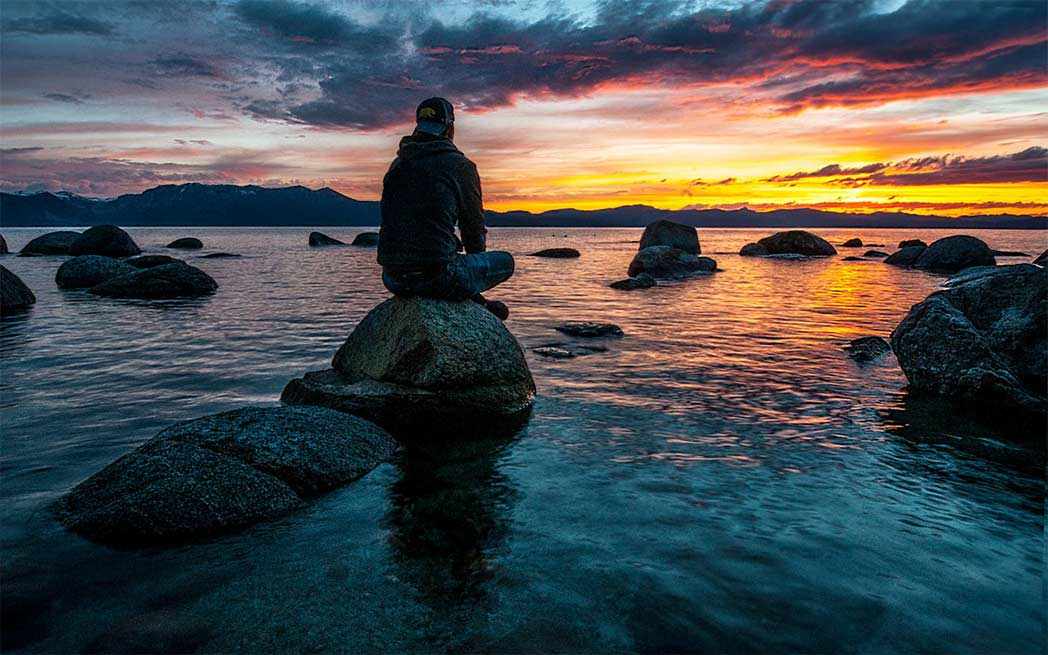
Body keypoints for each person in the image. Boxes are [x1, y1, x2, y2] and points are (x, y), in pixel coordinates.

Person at [377, 97, 513, 320]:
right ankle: (474, 299)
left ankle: (471, 296)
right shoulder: (460, 166)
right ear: (450, 128)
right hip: (438, 277)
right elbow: (473, 228)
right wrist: (473, 276)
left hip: (393, 279)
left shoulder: (397, 165)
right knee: (506, 262)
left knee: (445, 254)